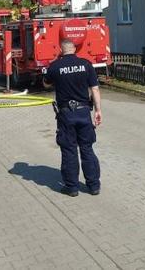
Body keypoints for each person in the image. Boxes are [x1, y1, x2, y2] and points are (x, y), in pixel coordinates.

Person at [44, 39, 102, 197]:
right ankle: (94, 186)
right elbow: (95, 89)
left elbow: (46, 84)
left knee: (69, 150)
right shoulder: (86, 64)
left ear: (61, 50)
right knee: (87, 148)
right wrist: (98, 110)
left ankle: (72, 187)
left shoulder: (55, 66)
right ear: (75, 49)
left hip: (66, 114)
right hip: (84, 112)